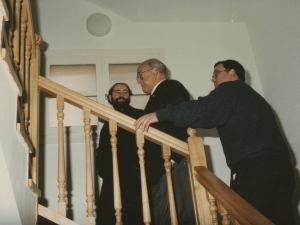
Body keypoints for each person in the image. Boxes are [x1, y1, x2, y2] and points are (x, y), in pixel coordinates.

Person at [134, 59, 295, 225]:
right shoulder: (253, 97)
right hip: (282, 169)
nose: (213, 79)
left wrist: (160, 115)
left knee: (247, 219)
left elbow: (204, 109)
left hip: (256, 169)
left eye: (216, 73)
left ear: (232, 73)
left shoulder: (231, 88)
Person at [136, 58, 195, 225]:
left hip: (172, 162)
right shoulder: (157, 95)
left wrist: (174, 158)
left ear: (155, 71)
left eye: (140, 75)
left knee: (177, 217)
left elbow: (183, 115)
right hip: (162, 167)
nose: (139, 81)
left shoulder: (170, 86)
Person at [96, 83, 144, 225]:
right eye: (117, 92)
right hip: (112, 179)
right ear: (110, 97)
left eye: (125, 92)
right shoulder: (107, 123)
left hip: (135, 178)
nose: (121, 94)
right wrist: (105, 172)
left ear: (129, 97)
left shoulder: (140, 115)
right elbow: (102, 152)